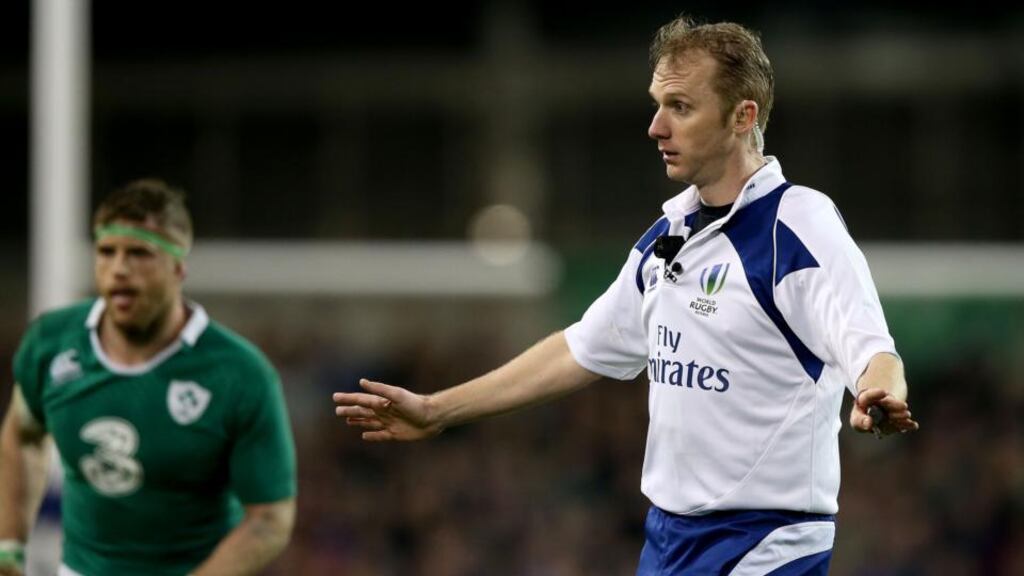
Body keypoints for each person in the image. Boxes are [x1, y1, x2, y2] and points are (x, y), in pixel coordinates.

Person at [333, 15, 919, 575]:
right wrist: (438, 410)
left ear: (743, 116)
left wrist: (879, 391)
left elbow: (872, 348)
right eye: (657, 105)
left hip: (764, 543)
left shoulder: (797, 226)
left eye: (680, 108)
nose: (656, 127)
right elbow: (579, 348)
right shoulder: (669, 238)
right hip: (668, 540)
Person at [0, 180, 297, 576]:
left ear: (179, 267)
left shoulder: (239, 374)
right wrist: (9, 549)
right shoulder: (51, 343)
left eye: (139, 253)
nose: (119, 269)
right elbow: (22, 436)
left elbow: (270, 519)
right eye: (107, 252)